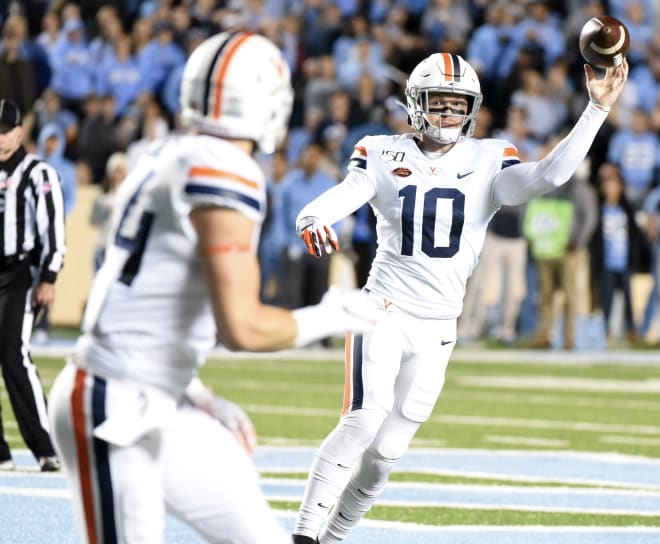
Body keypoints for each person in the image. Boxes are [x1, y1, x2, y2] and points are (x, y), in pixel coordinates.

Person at [47, 32, 375, 544]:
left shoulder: (164, 152)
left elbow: (148, 296)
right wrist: (332, 315)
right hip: (113, 397)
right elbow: (241, 326)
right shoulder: (224, 167)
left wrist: (194, 391)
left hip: (160, 393)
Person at [290, 51, 628, 543]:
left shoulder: (488, 158)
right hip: (382, 308)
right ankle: (303, 534)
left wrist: (595, 110)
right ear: (416, 104)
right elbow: (350, 189)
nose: (449, 114)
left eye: (458, 104)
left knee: (385, 456)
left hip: (439, 326)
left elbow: (548, 176)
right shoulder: (382, 152)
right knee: (363, 417)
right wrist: (313, 215)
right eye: (440, 103)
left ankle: (334, 537)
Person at [0, 98, 66, 472]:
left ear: (21, 131)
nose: (1, 138)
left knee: (13, 354)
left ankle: (46, 446)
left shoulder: (37, 173)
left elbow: (52, 227)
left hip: (19, 273)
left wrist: (50, 276)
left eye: (6, 130)